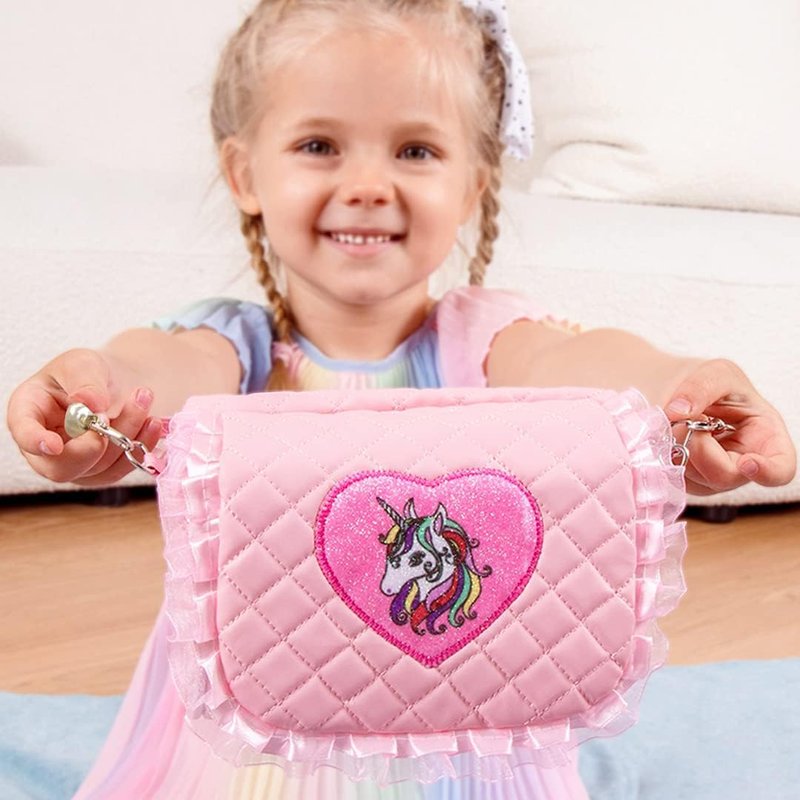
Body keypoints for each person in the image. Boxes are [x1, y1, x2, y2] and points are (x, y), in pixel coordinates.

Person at [6, 0, 796, 797]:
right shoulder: (235, 347)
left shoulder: (481, 339)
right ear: (245, 175)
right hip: (264, 723)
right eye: (319, 146)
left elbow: (577, 362)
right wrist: (105, 387)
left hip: (460, 710)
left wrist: (676, 388)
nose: (367, 186)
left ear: (472, 186)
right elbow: (164, 367)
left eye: (415, 150)